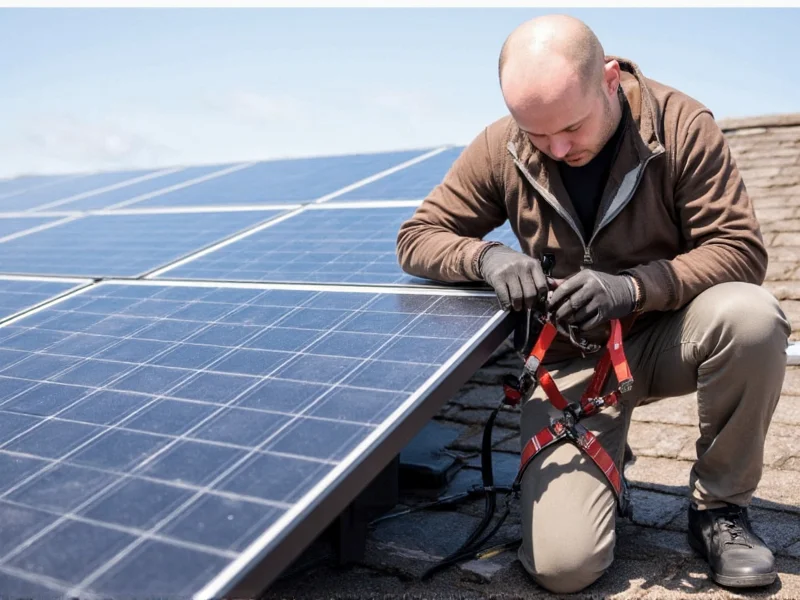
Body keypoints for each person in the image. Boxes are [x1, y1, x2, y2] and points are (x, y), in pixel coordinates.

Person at [396, 13, 791, 594]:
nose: (558, 149)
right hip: (571, 364)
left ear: (609, 78)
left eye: (573, 128)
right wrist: (488, 259)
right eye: (538, 134)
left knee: (752, 317)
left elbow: (738, 250)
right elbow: (417, 236)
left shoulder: (680, 126)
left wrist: (632, 287)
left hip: (668, 335)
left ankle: (719, 512)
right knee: (563, 569)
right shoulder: (502, 144)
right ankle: (607, 469)